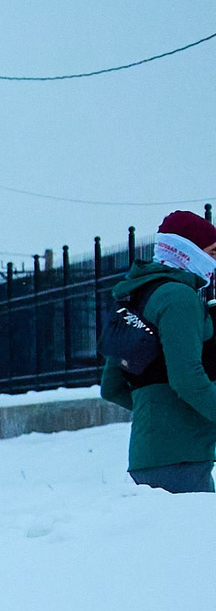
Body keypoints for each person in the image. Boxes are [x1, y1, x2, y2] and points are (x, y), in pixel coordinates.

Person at [101, 210, 216, 494]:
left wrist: (156, 412)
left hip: (147, 456)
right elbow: (187, 378)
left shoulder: (137, 295)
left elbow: (111, 387)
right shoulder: (180, 298)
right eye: (213, 251)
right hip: (183, 459)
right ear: (188, 251)